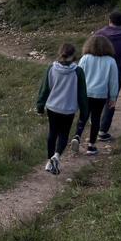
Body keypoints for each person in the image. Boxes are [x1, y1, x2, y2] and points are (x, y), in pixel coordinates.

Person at [36, 43, 89, 175]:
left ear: (60, 54)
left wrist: (40, 107)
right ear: (73, 56)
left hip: (52, 107)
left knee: (52, 133)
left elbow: (44, 90)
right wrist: (84, 112)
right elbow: (82, 94)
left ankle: (49, 161)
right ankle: (57, 156)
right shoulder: (78, 72)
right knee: (64, 134)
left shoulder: (51, 69)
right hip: (68, 109)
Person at [94, 10, 121, 141]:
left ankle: (94, 122)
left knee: (96, 97)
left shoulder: (99, 35)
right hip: (117, 72)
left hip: (98, 70)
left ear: (109, 20)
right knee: (111, 100)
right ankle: (103, 131)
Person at [73, 35, 119, 156]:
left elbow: (78, 76)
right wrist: (113, 98)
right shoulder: (111, 61)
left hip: (85, 94)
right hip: (100, 95)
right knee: (96, 119)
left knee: (83, 116)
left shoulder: (85, 58)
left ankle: (77, 136)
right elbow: (114, 81)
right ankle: (91, 146)